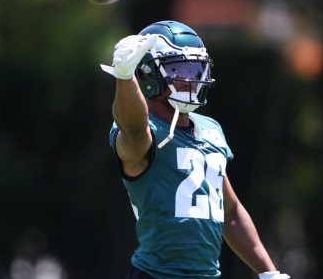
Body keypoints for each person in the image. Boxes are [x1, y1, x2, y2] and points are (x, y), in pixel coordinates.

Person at [101, 20, 289, 279]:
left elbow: (230, 212)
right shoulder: (146, 133)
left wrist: (269, 273)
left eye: (195, 69)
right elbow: (133, 130)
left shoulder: (211, 130)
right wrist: (124, 76)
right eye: (179, 69)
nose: (191, 79)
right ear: (146, 75)